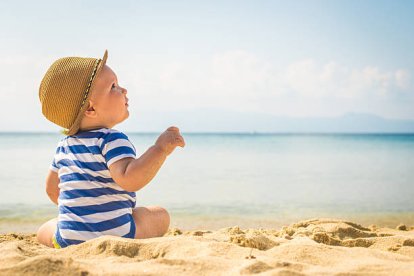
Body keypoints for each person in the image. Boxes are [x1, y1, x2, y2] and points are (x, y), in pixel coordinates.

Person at [36, 50, 185, 248]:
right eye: (113, 86)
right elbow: (130, 179)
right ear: (90, 109)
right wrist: (160, 149)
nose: (124, 90)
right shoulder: (111, 139)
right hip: (117, 234)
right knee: (160, 215)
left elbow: (52, 190)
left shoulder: (64, 146)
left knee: (45, 229)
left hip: (70, 238)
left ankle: (66, 235)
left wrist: (83, 213)